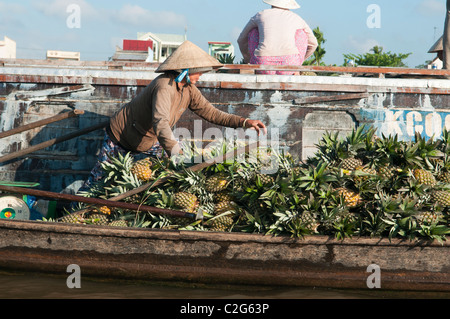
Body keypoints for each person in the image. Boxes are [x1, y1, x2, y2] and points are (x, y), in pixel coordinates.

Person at [77, 40, 267, 194]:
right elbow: (160, 121)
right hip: (120, 138)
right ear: (186, 70)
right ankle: (72, 214)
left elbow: (211, 112)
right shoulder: (164, 86)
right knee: (97, 185)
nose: (201, 74)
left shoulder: (188, 89)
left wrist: (243, 122)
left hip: (150, 139)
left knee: (167, 176)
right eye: (198, 70)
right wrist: (175, 152)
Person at [237, 0, 318, 75]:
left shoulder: (261, 15)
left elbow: (241, 39)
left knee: (253, 32)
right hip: (290, 64)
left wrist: (248, 60)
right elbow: (313, 44)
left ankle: (254, 63)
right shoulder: (296, 18)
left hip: (262, 63)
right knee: (301, 33)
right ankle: (296, 70)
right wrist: (299, 61)